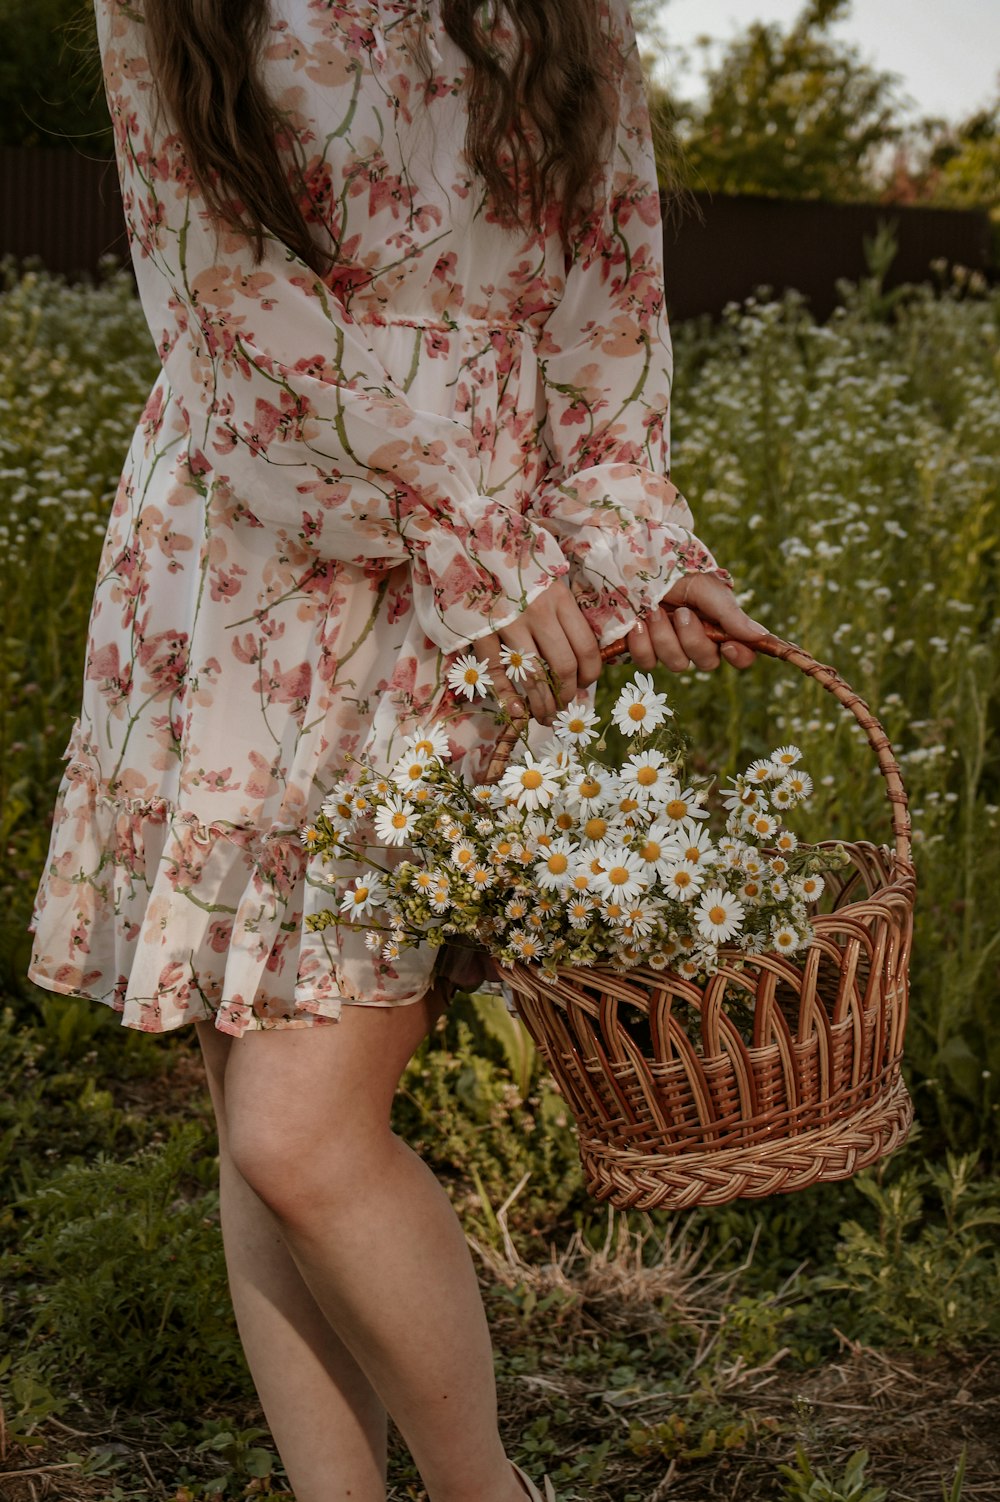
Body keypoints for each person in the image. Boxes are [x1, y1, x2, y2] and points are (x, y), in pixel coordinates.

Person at [27, 2, 765, 1498]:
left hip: (467, 599)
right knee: (265, 1118)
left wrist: (630, 553)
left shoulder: (559, 10)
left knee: (303, 1123)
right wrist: (496, 559)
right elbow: (220, 307)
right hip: (252, 554)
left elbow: (603, 314)